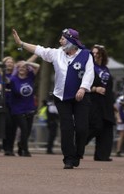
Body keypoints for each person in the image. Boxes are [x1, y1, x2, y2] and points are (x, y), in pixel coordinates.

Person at [13, 27, 93, 169]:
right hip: (61, 98)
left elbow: (89, 74)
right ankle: (68, 158)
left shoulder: (86, 55)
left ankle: (78, 152)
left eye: (62, 38)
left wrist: (83, 88)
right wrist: (21, 43)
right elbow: (39, 50)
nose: (59, 41)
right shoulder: (57, 54)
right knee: (66, 128)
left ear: (70, 41)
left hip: (80, 97)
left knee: (82, 128)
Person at [86, 44, 116, 161]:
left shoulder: (105, 69)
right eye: (93, 53)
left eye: (97, 53)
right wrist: (95, 89)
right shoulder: (89, 67)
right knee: (95, 126)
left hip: (106, 102)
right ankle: (77, 144)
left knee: (107, 127)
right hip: (94, 101)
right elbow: (82, 84)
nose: (95, 55)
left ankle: (102, 155)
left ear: (102, 55)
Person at [7, 59, 40, 156]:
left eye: (24, 67)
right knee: (24, 129)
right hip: (17, 109)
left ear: (27, 69)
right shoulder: (13, 79)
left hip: (29, 108)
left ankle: (21, 145)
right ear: (17, 69)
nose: (22, 69)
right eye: (20, 67)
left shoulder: (30, 77)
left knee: (28, 131)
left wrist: (27, 63)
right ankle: (25, 150)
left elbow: (37, 66)